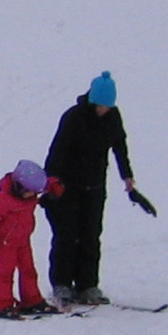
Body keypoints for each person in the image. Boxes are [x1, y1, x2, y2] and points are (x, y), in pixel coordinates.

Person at [43, 72, 140, 307]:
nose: (103, 110)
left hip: (95, 186)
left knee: (90, 235)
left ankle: (88, 285)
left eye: (107, 106)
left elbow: (120, 146)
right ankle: (62, 284)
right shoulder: (74, 117)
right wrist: (52, 180)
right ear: (92, 100)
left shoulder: (114, 118)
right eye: (100, 105)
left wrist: (127, 175)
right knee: (66, 235)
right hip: (68, 187)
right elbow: (58, 149)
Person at [0, 159, 62, 318]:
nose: (32, 196)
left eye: (35, 192)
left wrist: (54, 186)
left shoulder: (30, 192)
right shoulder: (2, 200)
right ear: (18, 186)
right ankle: (3, 304)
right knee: (5, 274)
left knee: (29, 270)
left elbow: (47, 184)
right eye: (29, 191)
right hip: (5, 244)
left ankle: (31, 300)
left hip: (23, 241)